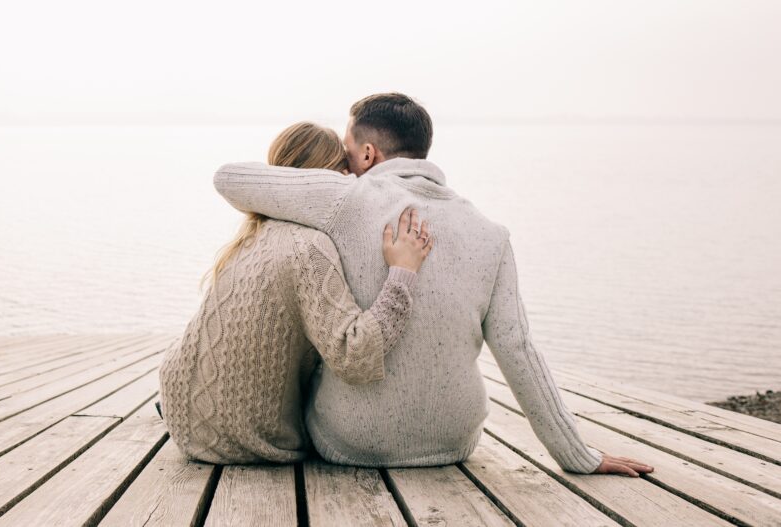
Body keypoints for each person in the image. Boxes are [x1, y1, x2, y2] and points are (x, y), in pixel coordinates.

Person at [213, 93, 655, 477]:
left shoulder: (345, 200)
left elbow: (229, 178)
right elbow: (518, 349)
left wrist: (326, 182)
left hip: (349, 444)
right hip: (453, 444)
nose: (343, 169)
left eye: (347, 156)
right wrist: (579, 455)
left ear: (367, 154)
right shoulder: (491, 233)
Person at [158, 121, 433, 464]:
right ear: (323, 179)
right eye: (343, 172)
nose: (352, 181)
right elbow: (354, 357)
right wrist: (402, 274)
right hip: (242, 438)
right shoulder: (310, 247)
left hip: (181, 411)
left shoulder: (251, 235)